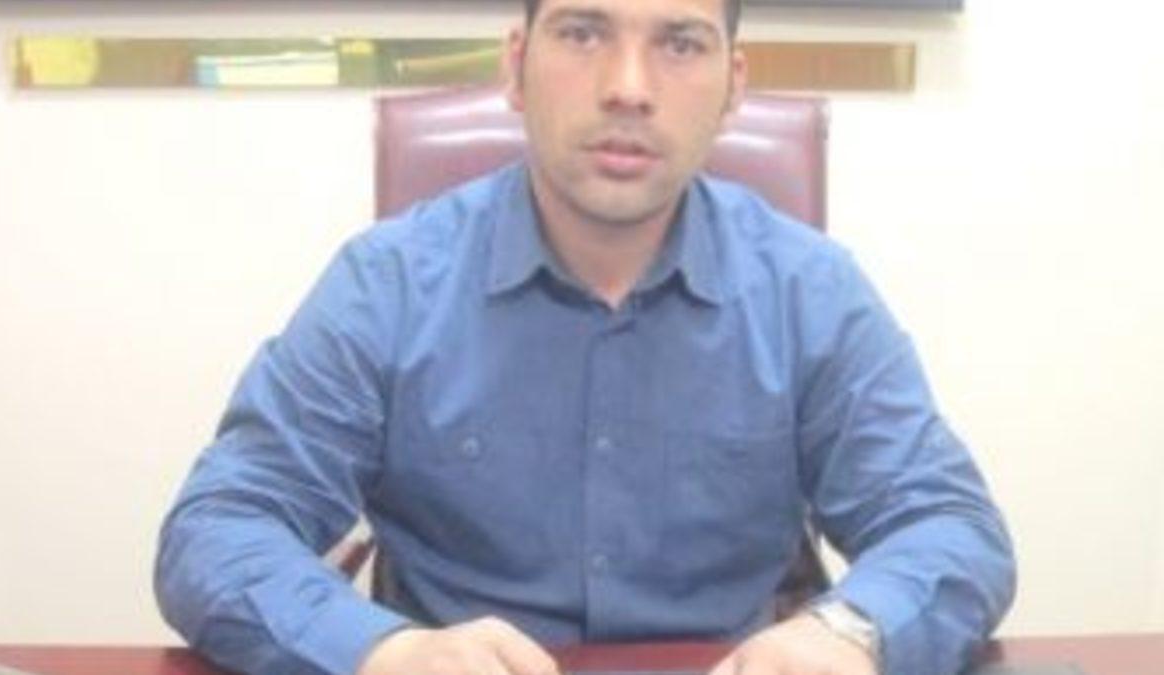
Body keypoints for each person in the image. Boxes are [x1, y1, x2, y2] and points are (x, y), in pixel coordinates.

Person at [155, 0, 1016, 673]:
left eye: (680, 43)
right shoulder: (389, 283)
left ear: (733, 87)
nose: (628, 87)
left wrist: (851, 631)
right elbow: (220, 525)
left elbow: (948, 523)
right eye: (582, 33)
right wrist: (381, 648)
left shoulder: (809, 290)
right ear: (515, 66)